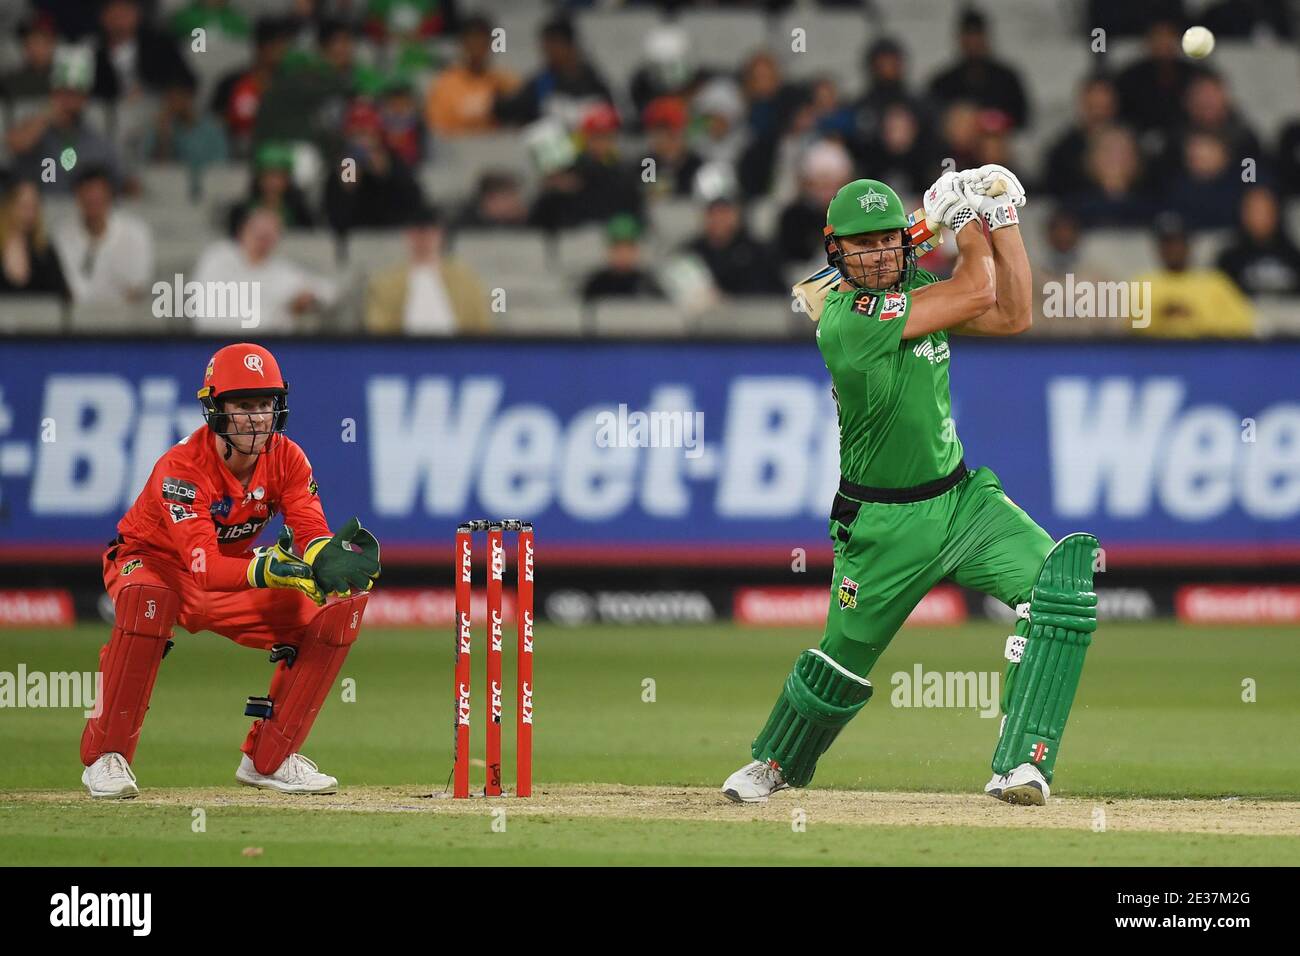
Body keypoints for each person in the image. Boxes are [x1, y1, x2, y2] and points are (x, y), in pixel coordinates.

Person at [722, 170, 1100, 808]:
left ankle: (1022, 764)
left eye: (886, 240)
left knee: (1057, 589)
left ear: (904, 241)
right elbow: (977, 289)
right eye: (861, 244)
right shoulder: (843, 320)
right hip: (881, 524)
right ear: (835, 250)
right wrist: (968, 224)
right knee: (842, 661)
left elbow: (1013, 314)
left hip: (962, 502)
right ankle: (775, 761)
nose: (876, 255)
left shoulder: (919, 287)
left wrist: (1003, 221)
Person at [81, 343, 382, 799]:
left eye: (264, 404)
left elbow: (310, 530)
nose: (256, 418)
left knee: (331, 613)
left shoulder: (288, 458)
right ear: (216, 410)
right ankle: (106, 757)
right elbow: (203, 567)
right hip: (151, 562)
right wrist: (267, 569)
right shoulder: (181, 469)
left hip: (226, 572)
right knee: (148, 602)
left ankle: (269, 758)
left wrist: (326, 558)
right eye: (243, 406)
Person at [192, 207, 337, 333]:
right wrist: (278, 316)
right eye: (258, 233)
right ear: (242, 230)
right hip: (219, 346)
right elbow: (207, 318)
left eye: (269, 235)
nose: (263, 240)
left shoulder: (281, 271)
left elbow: (328, 291)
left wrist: (304, 300)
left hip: (268, 349)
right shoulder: (217, 259)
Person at [366, 205, 491, 334]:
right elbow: (377, 328)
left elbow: (481, 326)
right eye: (418, 233)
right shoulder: (385, 283)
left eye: (429, 233)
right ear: (408, 235)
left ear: (440, 235)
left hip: (458, 346)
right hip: (402, 346)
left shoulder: (466, 280)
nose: (423, 239)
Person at [1132, 214, 1254, 337]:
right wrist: (1161, 317)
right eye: (1167, 243)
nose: (1173, 249)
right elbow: (1130, 330)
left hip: (1205, 347)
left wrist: (1195, 319)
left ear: (1189, 245)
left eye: (1178, 242)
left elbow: (1243, 324)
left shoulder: (1214, 283)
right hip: (1156, 348)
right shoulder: (1141, 284)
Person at [51, 164, 153, 304]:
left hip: (124, 315)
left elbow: (137, 287)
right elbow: (67, 288)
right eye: (87, 194)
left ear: (109, 195)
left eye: (98, 195)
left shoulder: (135, 233)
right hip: (76, 313)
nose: (93, 200)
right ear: (77, 196)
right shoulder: (61, 235)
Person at [424, 15, 520, 136]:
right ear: (462, 44)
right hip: (458, 145)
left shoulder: (506, 82)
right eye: (472, 42)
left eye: (482, 42)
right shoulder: (444, 85)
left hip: (497, 144)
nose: (477, 48)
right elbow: (438, 129)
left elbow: (518, 124)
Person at [1216, 187, 1300, 296]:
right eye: (1254, 210)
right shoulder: (1229, 259)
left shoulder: (1294, 257)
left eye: (1266, 210)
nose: (1260, 216)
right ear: (1243, 214)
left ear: (1276, 212)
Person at [0, 178, 69, 298]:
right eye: (24, 206)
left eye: (34, 207)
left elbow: (61, 295)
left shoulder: (44, 252)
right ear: (9, 206)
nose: (29, 214)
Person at [581, 214, 663, 302]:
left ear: (637, 250)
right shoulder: (596, 285)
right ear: (609, 250)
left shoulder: (647, 284)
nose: (623, 254)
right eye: (618, 248)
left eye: (628, 248)